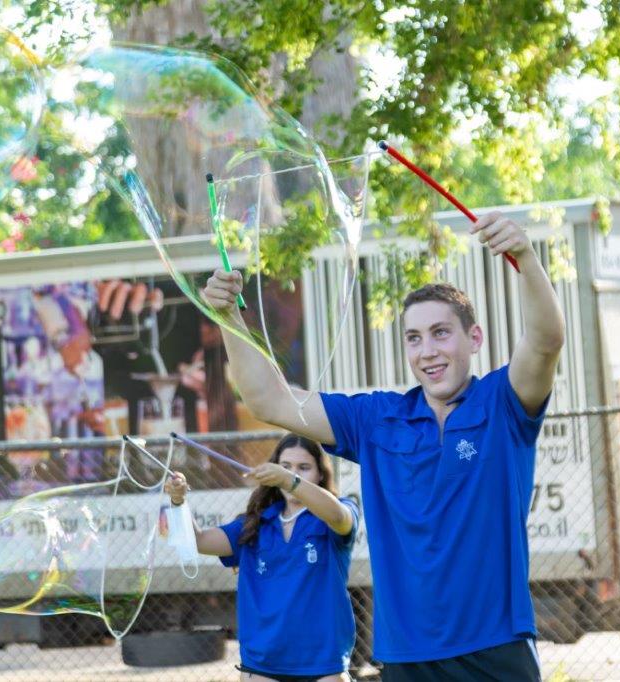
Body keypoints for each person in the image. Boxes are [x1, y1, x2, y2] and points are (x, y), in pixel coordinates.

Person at [202, 212, 565, 680]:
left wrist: (525, 257)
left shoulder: (502, 405)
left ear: (474, 338)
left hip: (496, 645)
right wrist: (228, 317)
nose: (427, 350)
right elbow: (268, 400)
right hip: (407, 655)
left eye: (441, 333)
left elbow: (546, 341)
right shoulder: (376, 419)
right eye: (414, 338)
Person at [164, 433, 358, 682]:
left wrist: (289, 480)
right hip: (262, 664)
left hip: (323, 664)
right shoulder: (254, 523)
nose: (293, 473)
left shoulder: (335, 512)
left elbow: (340, 517)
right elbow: (200, 541)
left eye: (304, 468)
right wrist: (178, 501)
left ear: (320, 474)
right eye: (285, 467)